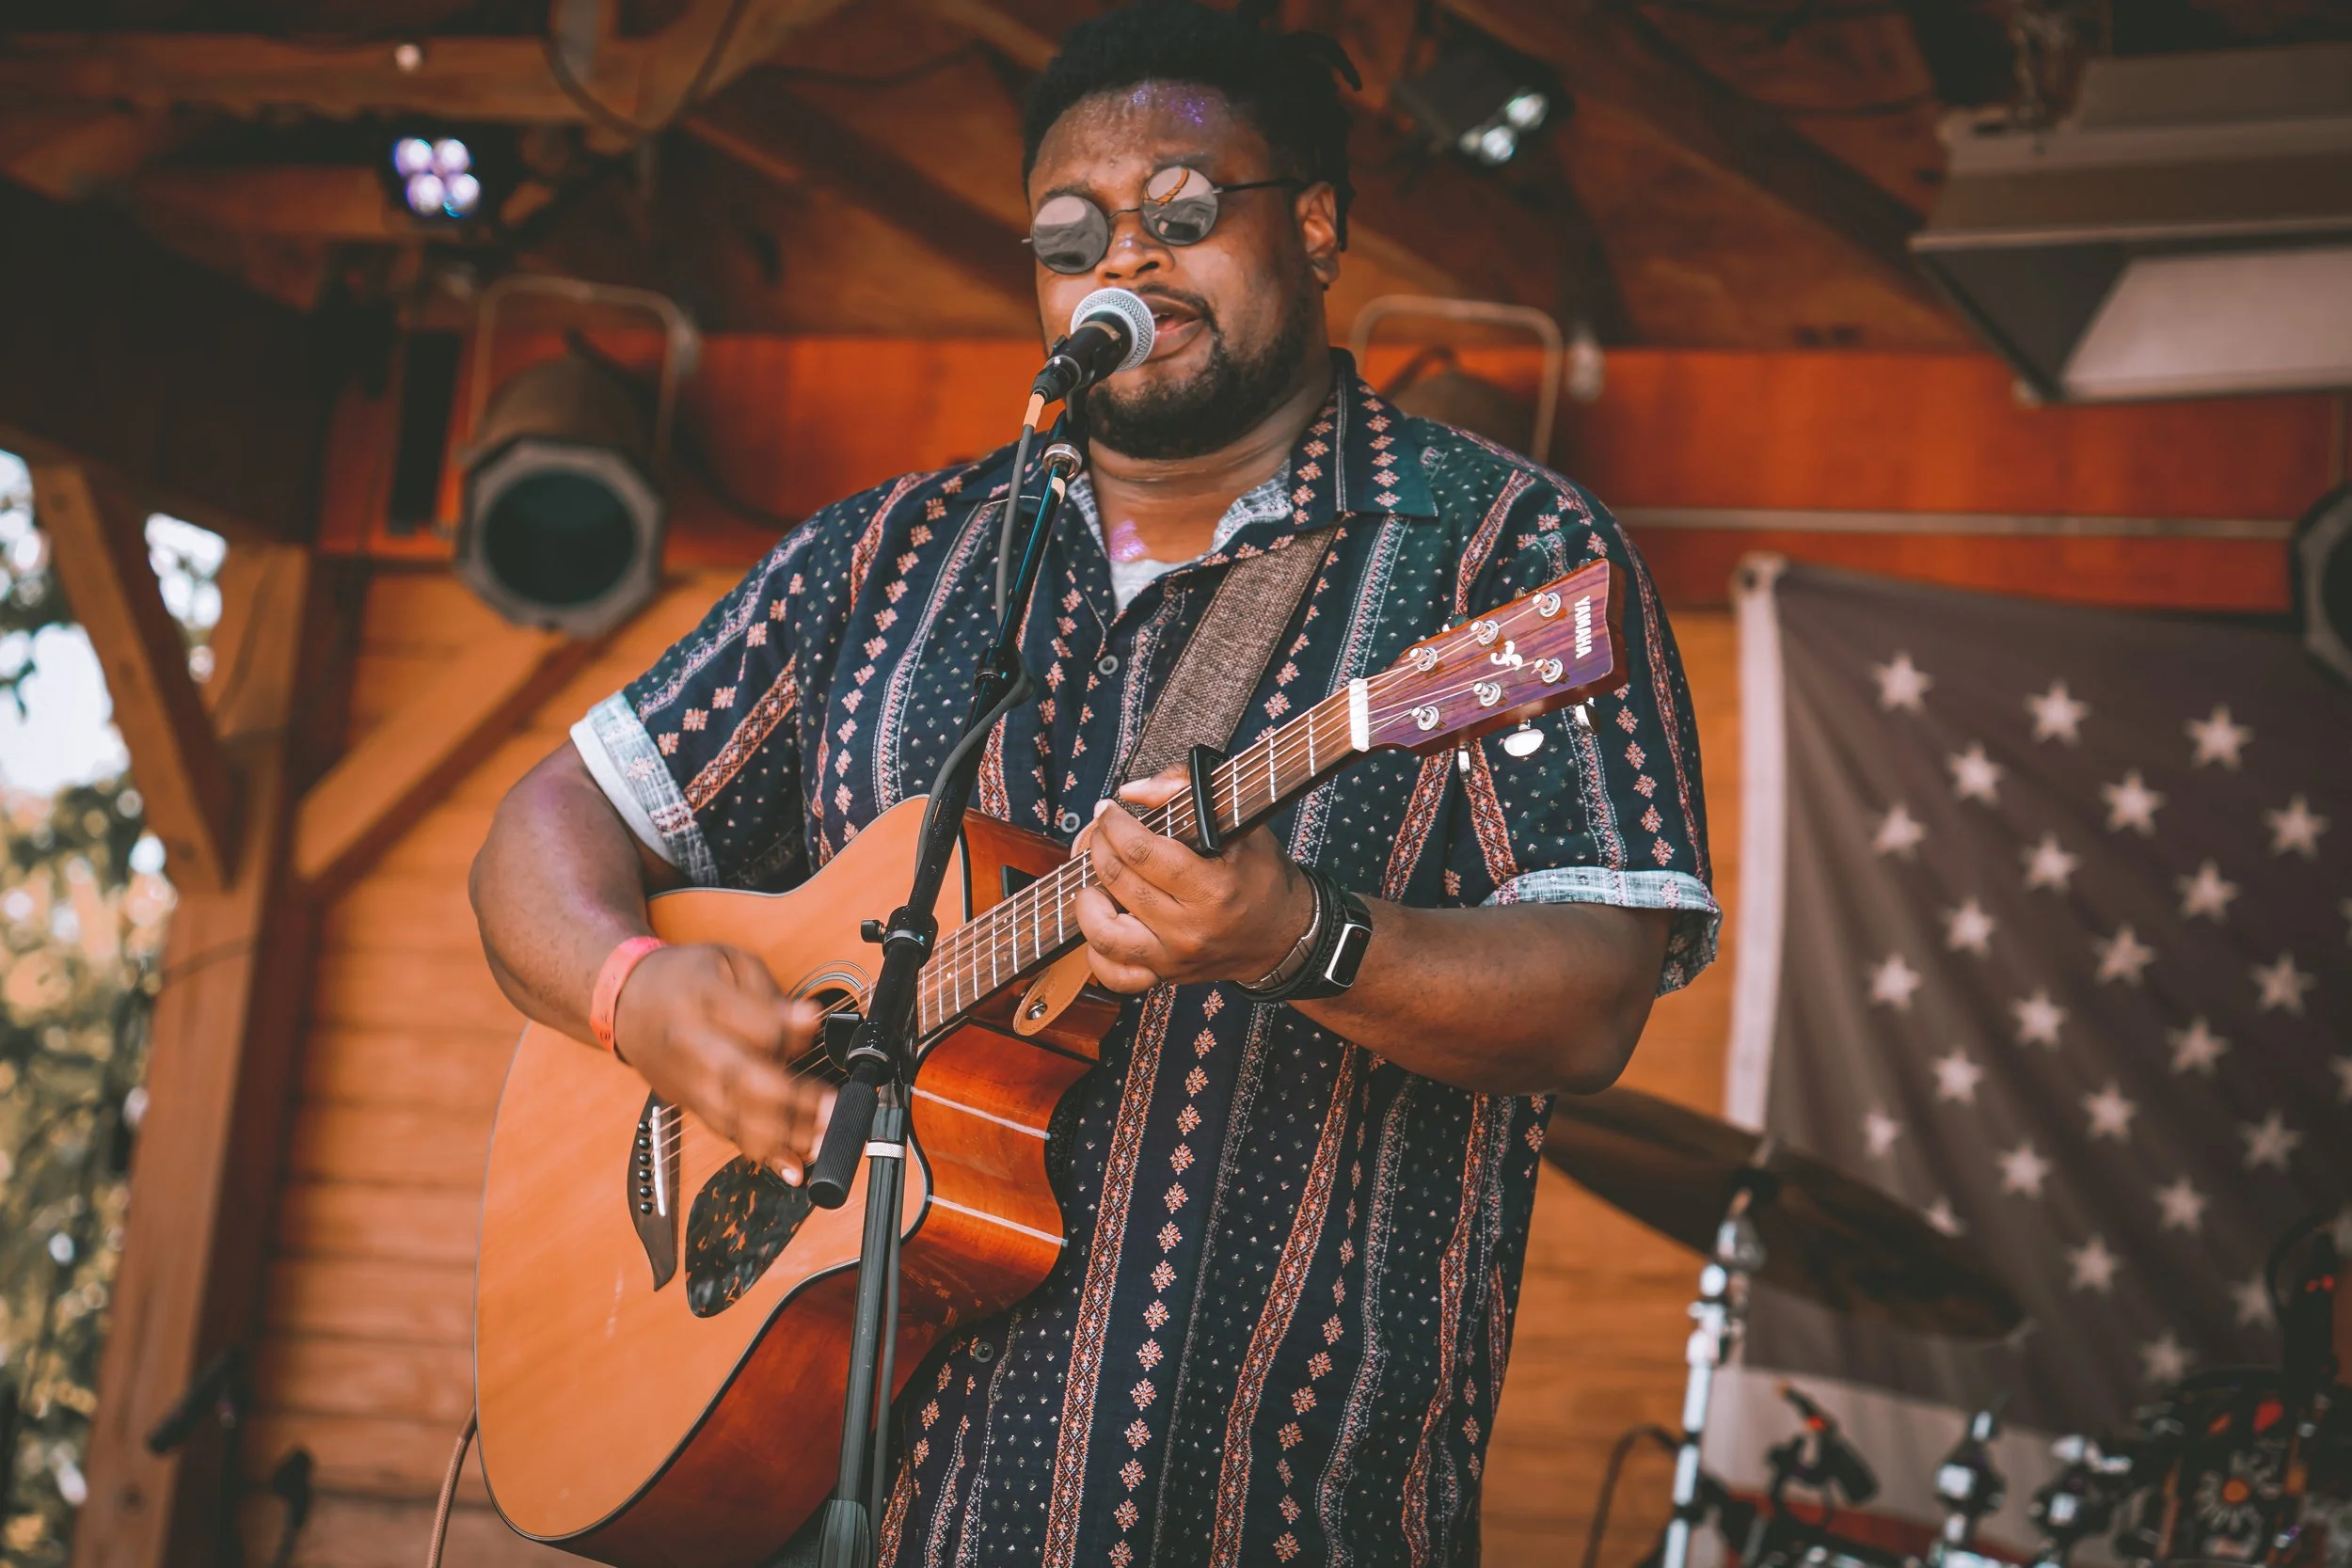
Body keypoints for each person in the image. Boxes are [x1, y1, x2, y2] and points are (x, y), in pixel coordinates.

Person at [469, 2, 1717, 1560]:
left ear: (1317, 226)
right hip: (815, 1499)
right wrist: (634, 993)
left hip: (1252, 1513)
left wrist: (1299, 938)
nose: (1124, 262)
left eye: (1185, 214)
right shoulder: (895, 550)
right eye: (1070, 238)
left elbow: (1596, 990)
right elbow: (549, 822)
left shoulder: (1502, 558)